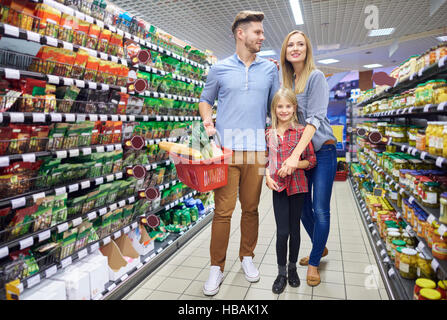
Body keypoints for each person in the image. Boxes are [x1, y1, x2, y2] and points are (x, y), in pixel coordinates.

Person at [198, 10, 280, 296]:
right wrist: (208, 120)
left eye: (261, 32)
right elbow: (206, 100)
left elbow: (275, 108)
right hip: (226, 152)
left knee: (252, 208)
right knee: (223, 212)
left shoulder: (270, 70)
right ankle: (216, 267)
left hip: (257, 152)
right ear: (240, 34)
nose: (262, 36)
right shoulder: (219, 69)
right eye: (257, 32)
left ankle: (247, 257)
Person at [277, 30, 337, 287]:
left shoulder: (316, 77)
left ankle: (314, 263)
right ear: (285, 51)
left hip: (322, 152)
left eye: (300, 44)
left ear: (307, 49)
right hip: (302, 156)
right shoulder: (288, 81)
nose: (295, 48)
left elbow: (313, 121)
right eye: (291, 44)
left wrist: (292, 156)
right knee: (302, 209)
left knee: (320, 209)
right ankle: (319, 246)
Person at [265, 87, 316, 294]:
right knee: (282, 232)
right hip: (278, 187)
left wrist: (296, 164)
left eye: (288, 106)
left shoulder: (303, 132)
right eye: (280, 106)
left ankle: (293, 268)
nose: (284, 110)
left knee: (294, 230)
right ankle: (281, 272)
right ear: (274, 109)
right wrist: (267, 177)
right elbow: (265, 159)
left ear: (294, 108)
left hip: (298, 187)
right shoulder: (269, 133)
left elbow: (311, 161)